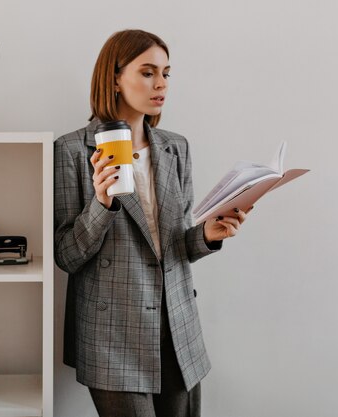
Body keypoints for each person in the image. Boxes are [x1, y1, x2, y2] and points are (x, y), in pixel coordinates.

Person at [54, 29, 249, 417]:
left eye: (166, 73)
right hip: (112, 332)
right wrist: (102, 203)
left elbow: (175, 246)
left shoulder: (176, 147)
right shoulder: (73, 150)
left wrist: (207, 236)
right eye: (147, 72)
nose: (160, 83)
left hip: (177, 325)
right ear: (114, 77)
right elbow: (67, 256)